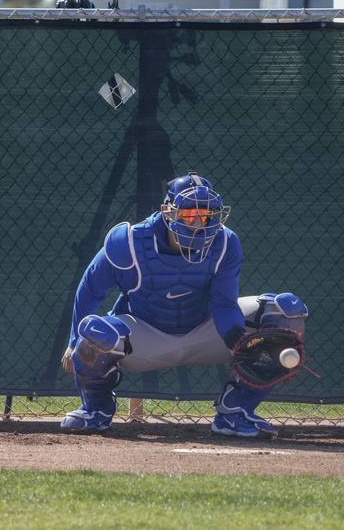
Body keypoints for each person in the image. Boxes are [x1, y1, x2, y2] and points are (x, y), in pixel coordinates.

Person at [59, 171, 308, 438]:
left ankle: (235, 413)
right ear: (168, 211)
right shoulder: (129, 242)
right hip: (144, 335)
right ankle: (96, 410)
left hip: (204, 329)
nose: (199, 224)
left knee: (285, 311)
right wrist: (74, 342)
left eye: (207, 216)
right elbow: (90, 290)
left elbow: (224, 303)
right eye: (190, 215)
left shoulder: (225, 242)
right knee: (95, 333)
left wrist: (238, 339)